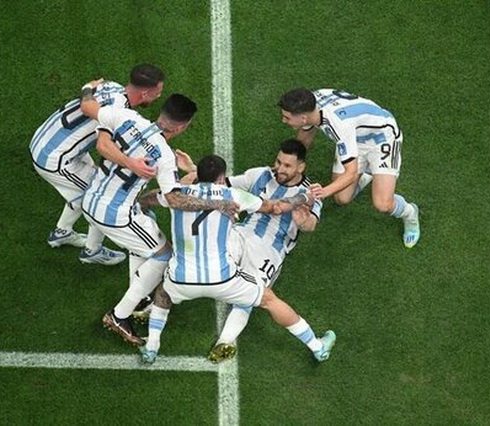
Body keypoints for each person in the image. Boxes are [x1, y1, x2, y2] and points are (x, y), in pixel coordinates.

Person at [139, 154, 336, 364]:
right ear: (221, 178)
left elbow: (150, 198)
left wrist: (145, 204)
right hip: (226, 276)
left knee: (163, 292)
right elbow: (276, 207)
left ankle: (152, 346)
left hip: (184, 276)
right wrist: (304, 197)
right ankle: (317, 347)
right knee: (266, 298)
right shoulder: (233, 195)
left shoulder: (177, 196)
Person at [81, 94, 239, 346]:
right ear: (181, 127)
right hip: (115, 215)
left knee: (147, 221)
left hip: (90, 199)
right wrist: (217, 204)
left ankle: (139, 294)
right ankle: (119, 316)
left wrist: (89, 88)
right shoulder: (164, 156)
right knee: (163, 254)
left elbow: (87, 105)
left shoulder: (127, 116)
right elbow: (174, 199)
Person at [201, 138, 324, 362]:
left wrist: (302, 222)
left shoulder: (311, 193)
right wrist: (193, 172)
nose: (280, 168)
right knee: (202, 253)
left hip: (270, 251)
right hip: (241, 234)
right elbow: (222, 184)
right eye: (278, 162)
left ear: (300, 167)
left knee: (248, 297)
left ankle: (223, 343)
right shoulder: (260, 174)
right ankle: (155, 306)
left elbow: (311, 225)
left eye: (287, 165)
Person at [29, 64, 164, 265]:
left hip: (45, 139)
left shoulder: (110, 85)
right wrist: (131, 164)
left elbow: (89, 92)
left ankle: (62, 233)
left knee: (87, 188)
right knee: (99, 196)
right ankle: (92, 251)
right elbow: (103, 146)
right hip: (54, 158)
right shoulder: (118, 111)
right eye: (157, 92)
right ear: (144, 94)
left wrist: (86, 87)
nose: (159, 96)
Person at [278, 88, 420, 248]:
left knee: (383, 204)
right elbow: (304, 140)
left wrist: (323, 192)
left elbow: (350, 173)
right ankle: (366, 174)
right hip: (353, 137)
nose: (284, 120)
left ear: (303, 118)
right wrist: (290, 165)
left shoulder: (339, 126)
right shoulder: (310, 103)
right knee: (342, 198)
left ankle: (410, 213)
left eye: (287, 117)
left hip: (381, 140)